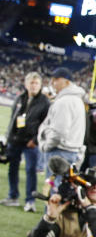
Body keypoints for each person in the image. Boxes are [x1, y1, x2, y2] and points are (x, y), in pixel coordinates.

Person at [2, 72, 49, 212]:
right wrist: (8, 137)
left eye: (36, 83)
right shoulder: (19, 98)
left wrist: (35, 140)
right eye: (31, 83)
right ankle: (13, 196)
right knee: (12, 169)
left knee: (30, 171)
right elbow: (13, 120)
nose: (33, 86)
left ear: (40, 85)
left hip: (30, 142)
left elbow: (45, 123)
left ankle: (30, 201)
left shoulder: (44, 102)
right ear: (26, 84)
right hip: (15, 140)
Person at [37, 67, 87, 190]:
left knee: (54, 193)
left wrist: (46, 146)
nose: (53, 83)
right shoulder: (76, 99)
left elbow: (59, 132)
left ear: (67, 81)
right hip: (71, 151)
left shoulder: (65, 101)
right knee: (64, 192)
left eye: (56, 79)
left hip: (60, 152)